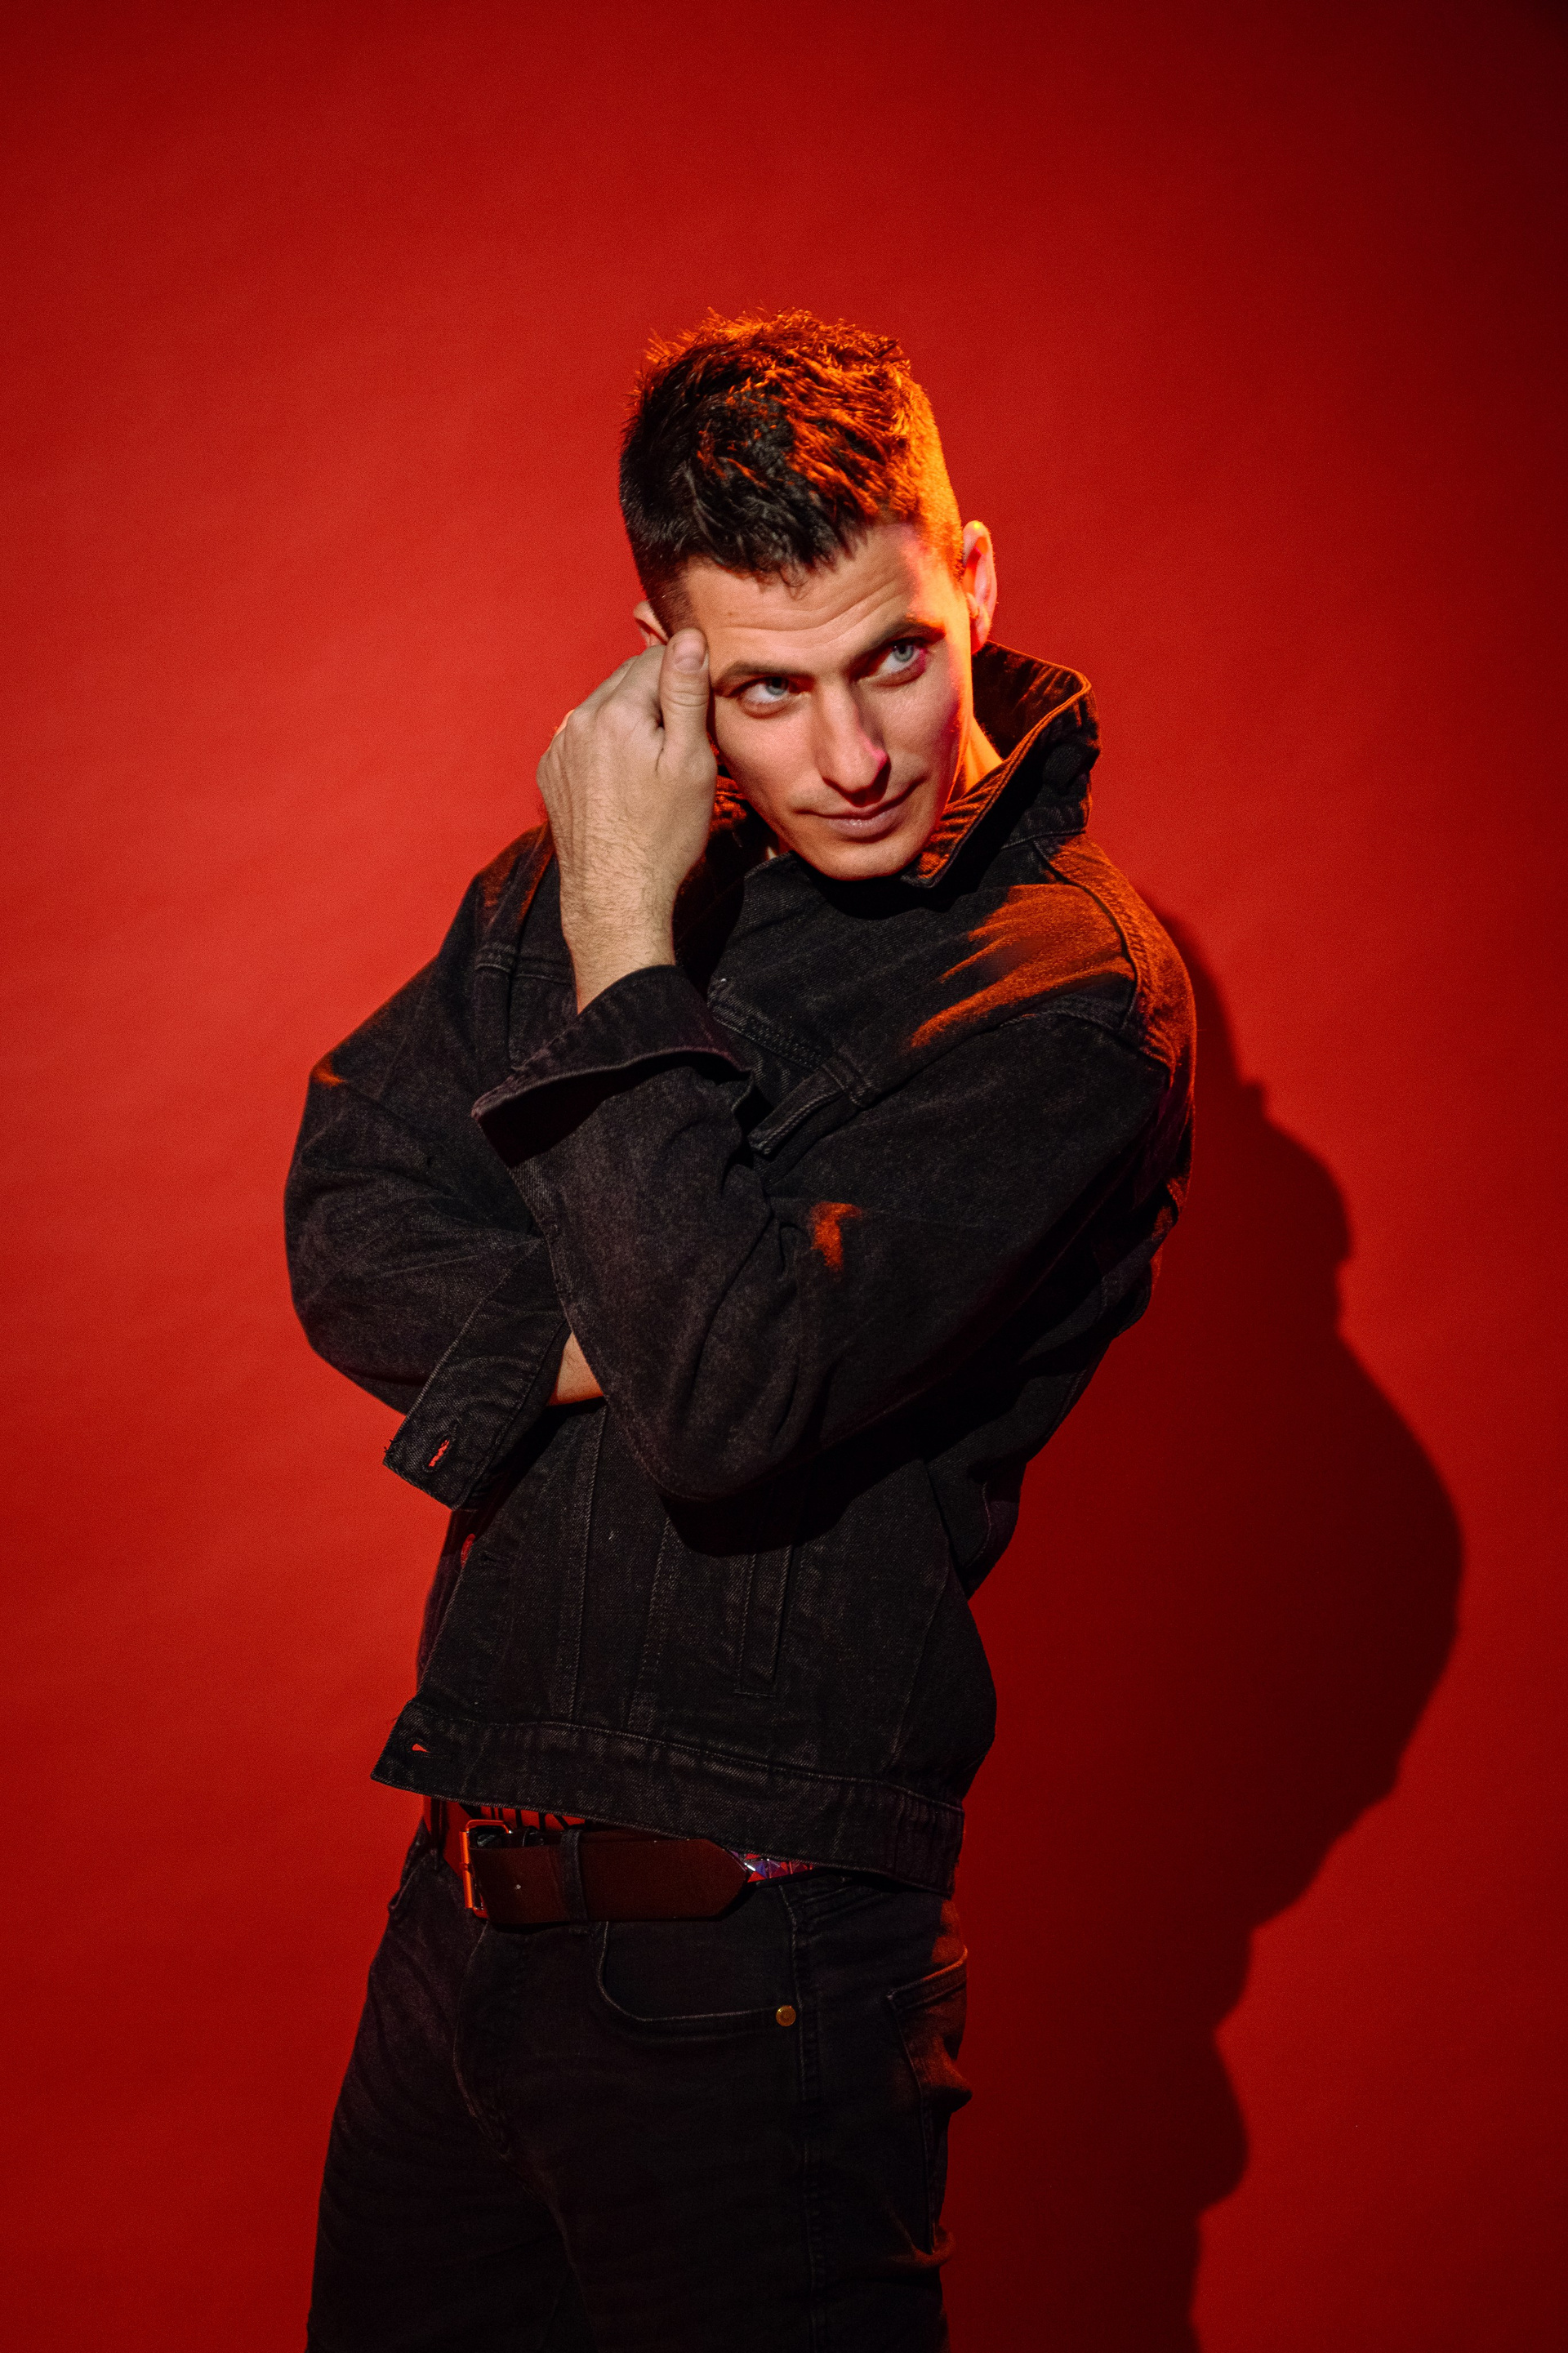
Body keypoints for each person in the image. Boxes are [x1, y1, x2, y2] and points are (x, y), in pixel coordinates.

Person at [286, 309, 1195, 2352]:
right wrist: (654, 1292)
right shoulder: (577, 876)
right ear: (670, 663)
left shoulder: (1062, 994)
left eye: (896, 657)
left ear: (974, 580)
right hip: (462, 1916)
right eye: (770, 690)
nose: (854, 756)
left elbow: (728, 1404)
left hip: (760, 1968)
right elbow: (343, 1215)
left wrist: (623, 941)